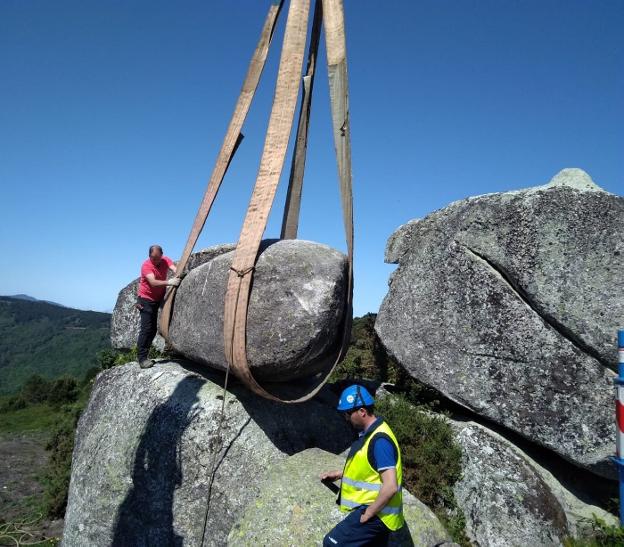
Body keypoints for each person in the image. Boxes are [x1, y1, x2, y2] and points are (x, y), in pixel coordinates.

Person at [320, 385, 404, 546]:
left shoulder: (379, 440)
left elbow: (391, 486)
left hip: (378, 513)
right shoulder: (372, 434)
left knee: (331, 543)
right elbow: (369, 469)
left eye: (348, 413)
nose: (346, 417)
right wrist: (339, 474)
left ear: (362, 412)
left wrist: (369, 513)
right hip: (379, 513)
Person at [136, 244, 181, 369]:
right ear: (149, 256)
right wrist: (169, 282)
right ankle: (142, 359)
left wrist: (179, 274)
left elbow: (175, 268)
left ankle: (145, 355)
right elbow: (153, 282)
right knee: (146, 329)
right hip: (145, 300)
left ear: (162, 255)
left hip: (157, 300)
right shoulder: (146, 265)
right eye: (152, 257)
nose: (155, 260)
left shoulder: (165, 260)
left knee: (153, 330)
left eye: (157, 257)